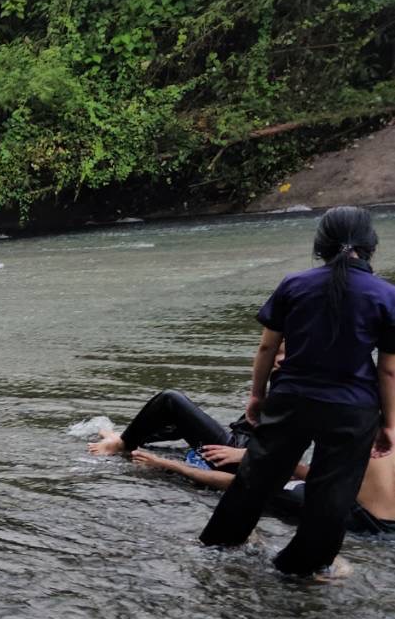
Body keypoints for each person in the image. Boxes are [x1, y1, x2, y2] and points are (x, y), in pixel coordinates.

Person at [199, 206, 395, 577]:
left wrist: (257, 397)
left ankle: (218, 547)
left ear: (320, 244)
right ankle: (299, 568)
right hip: (353, 407)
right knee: (332, 492)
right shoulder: (386, 295)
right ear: (370, 245)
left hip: (291, 399)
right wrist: (389, 422)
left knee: (256, 478)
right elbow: (387, 368)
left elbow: (267, 349)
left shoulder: (294, 284)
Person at [131, 445, 395, 536]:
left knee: (258, 488)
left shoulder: (302, 496)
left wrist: (167, 465)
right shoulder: (382, 436)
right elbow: (312, 472)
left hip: (365, 522)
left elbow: (242, 485)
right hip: (376, 518)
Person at [89, 390, 253, 466]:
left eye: (280, 354)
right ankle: (125, 436)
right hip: (242, 441)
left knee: (171, 400)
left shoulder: (278, 387)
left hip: (238, 453)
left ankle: (121, 443)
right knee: (178, 421)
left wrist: (246, 454)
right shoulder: (275, 383)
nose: (278, 359)